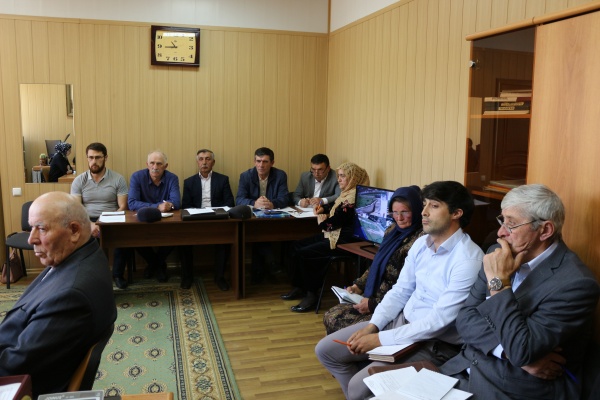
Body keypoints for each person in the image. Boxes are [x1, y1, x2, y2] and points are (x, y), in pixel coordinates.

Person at [315, 180, 484, 400]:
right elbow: (400, 291)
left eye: (434, 206)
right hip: (402, 322)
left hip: (433, 342)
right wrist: (374, 326)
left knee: (359, 386)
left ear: (457, 213)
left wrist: (380, 339)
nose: (423, 212)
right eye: (424, 204)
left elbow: (438, 322)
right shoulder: (421, 244)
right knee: (326, 351)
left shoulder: (468, 259)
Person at [435, 184, 600, 399]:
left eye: (511, 224)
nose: (500, 233)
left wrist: (499, 283)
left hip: (514, 389)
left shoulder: (576, 284)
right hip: (462, 368)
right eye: (502, 221)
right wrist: (505, 352)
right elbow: (465, 319)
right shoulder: (497, 252)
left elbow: (522, 350)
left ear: (545, 230)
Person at [0, 192, 116, 397]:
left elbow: (11, 368)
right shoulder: (81, 254)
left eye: (41, 228)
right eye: (31, 228)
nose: (31, 239)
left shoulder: (70, 297)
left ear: (74, 230)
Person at [322, 185, 424, 334]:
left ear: (416, 210)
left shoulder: (420, 240)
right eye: (395, 212)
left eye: (404, 212)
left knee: (336, 320)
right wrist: (358, 286)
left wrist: (374, 304)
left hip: (390, 305)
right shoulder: (392, 230)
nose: (399, 218)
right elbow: (377, 263)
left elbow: (406, 287)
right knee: (331, 315)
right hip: (373, 296)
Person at [280, 162, 370, 312]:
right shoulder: (347, 193)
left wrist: (322, 221)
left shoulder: (353, 198)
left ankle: (311, 295)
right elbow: (336, 208)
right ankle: (300, 287)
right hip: (334, 236)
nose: (339, 179)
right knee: (295, 246)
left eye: (343, 176)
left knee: (306, 253)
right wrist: (324, 209)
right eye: (338, 176)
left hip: (344, 242)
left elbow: (332, 224)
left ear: (353, 178)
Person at [71, 142, 130, 289]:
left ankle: (117, 275)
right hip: (87, 219)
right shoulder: (79, 180)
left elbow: (123, 206)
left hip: (112, 217)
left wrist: (105, 223)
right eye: (90, 157)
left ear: (105, 158)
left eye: (98, 157)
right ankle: (92, 278)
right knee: (82, 241)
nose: (94, 161)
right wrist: (91, 224)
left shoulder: (118, 179)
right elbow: (77, 208)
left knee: (123, 238)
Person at [181, 149, 235, 290]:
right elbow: (185, 206)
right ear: (197, 162)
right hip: (195, 221)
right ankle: (187, 277)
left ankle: (220, 277)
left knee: (224, 241)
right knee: (184, 241)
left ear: (213, 162)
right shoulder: (189, 182)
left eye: (208, 159)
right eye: (201, 159)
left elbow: (230, 203)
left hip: (217, 220)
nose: (204, 162)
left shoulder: (223, 180)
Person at [236, 147, 290, 283]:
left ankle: (259, 272)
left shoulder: (280, 175)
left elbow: (285, 198)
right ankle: (270, 264)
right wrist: (254, 203)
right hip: (252, 217)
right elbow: (239, 199)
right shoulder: (246, 176)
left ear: (272, 163)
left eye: (265, 161)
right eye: (258, 161)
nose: (261, 165)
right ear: (254, 161)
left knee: (261, 232)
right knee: (257, 231)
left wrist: (272, 204)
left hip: (273, 217)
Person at [128, 150, 181, 282]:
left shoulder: (172, 178)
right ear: (147, 164)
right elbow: (132, 203)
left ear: (165, 166)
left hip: (167, 221)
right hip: (142, 221)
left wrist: (169, 205)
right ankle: (158, 264)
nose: (155, 167)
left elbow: (176, 202)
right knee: (132, 235)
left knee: (176, 233)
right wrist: (158, 207)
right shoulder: (137, 177)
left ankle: (154, 265)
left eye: (159, 164)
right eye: (152, 163)